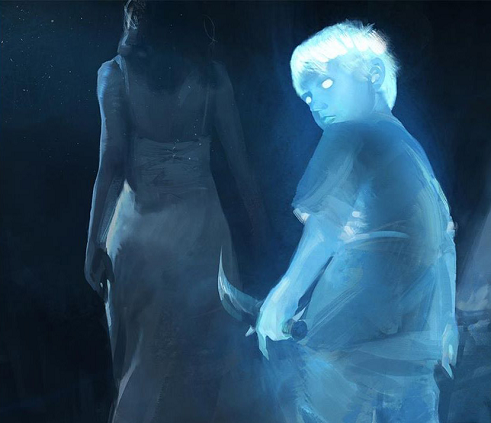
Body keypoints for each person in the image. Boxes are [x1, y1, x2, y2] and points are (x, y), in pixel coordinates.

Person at [254, 21, 458, 422]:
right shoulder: (413, 151)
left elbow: (326, 226)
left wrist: (285, 295)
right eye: (307, 97)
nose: (315, 104)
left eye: (326, 84)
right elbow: (443, 242)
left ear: (373, 74)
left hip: (353, 326)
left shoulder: (348, 134)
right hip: (411, 332)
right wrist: (446, 320)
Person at [84, 2, 264, 422]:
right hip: (203, 235)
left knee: (142, 361)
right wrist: (262, 230)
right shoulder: (211, 76)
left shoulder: (115, 75)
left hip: (139, 237)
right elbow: (241, 166)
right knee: (205, 360)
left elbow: (109, 166)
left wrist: (92, 243)